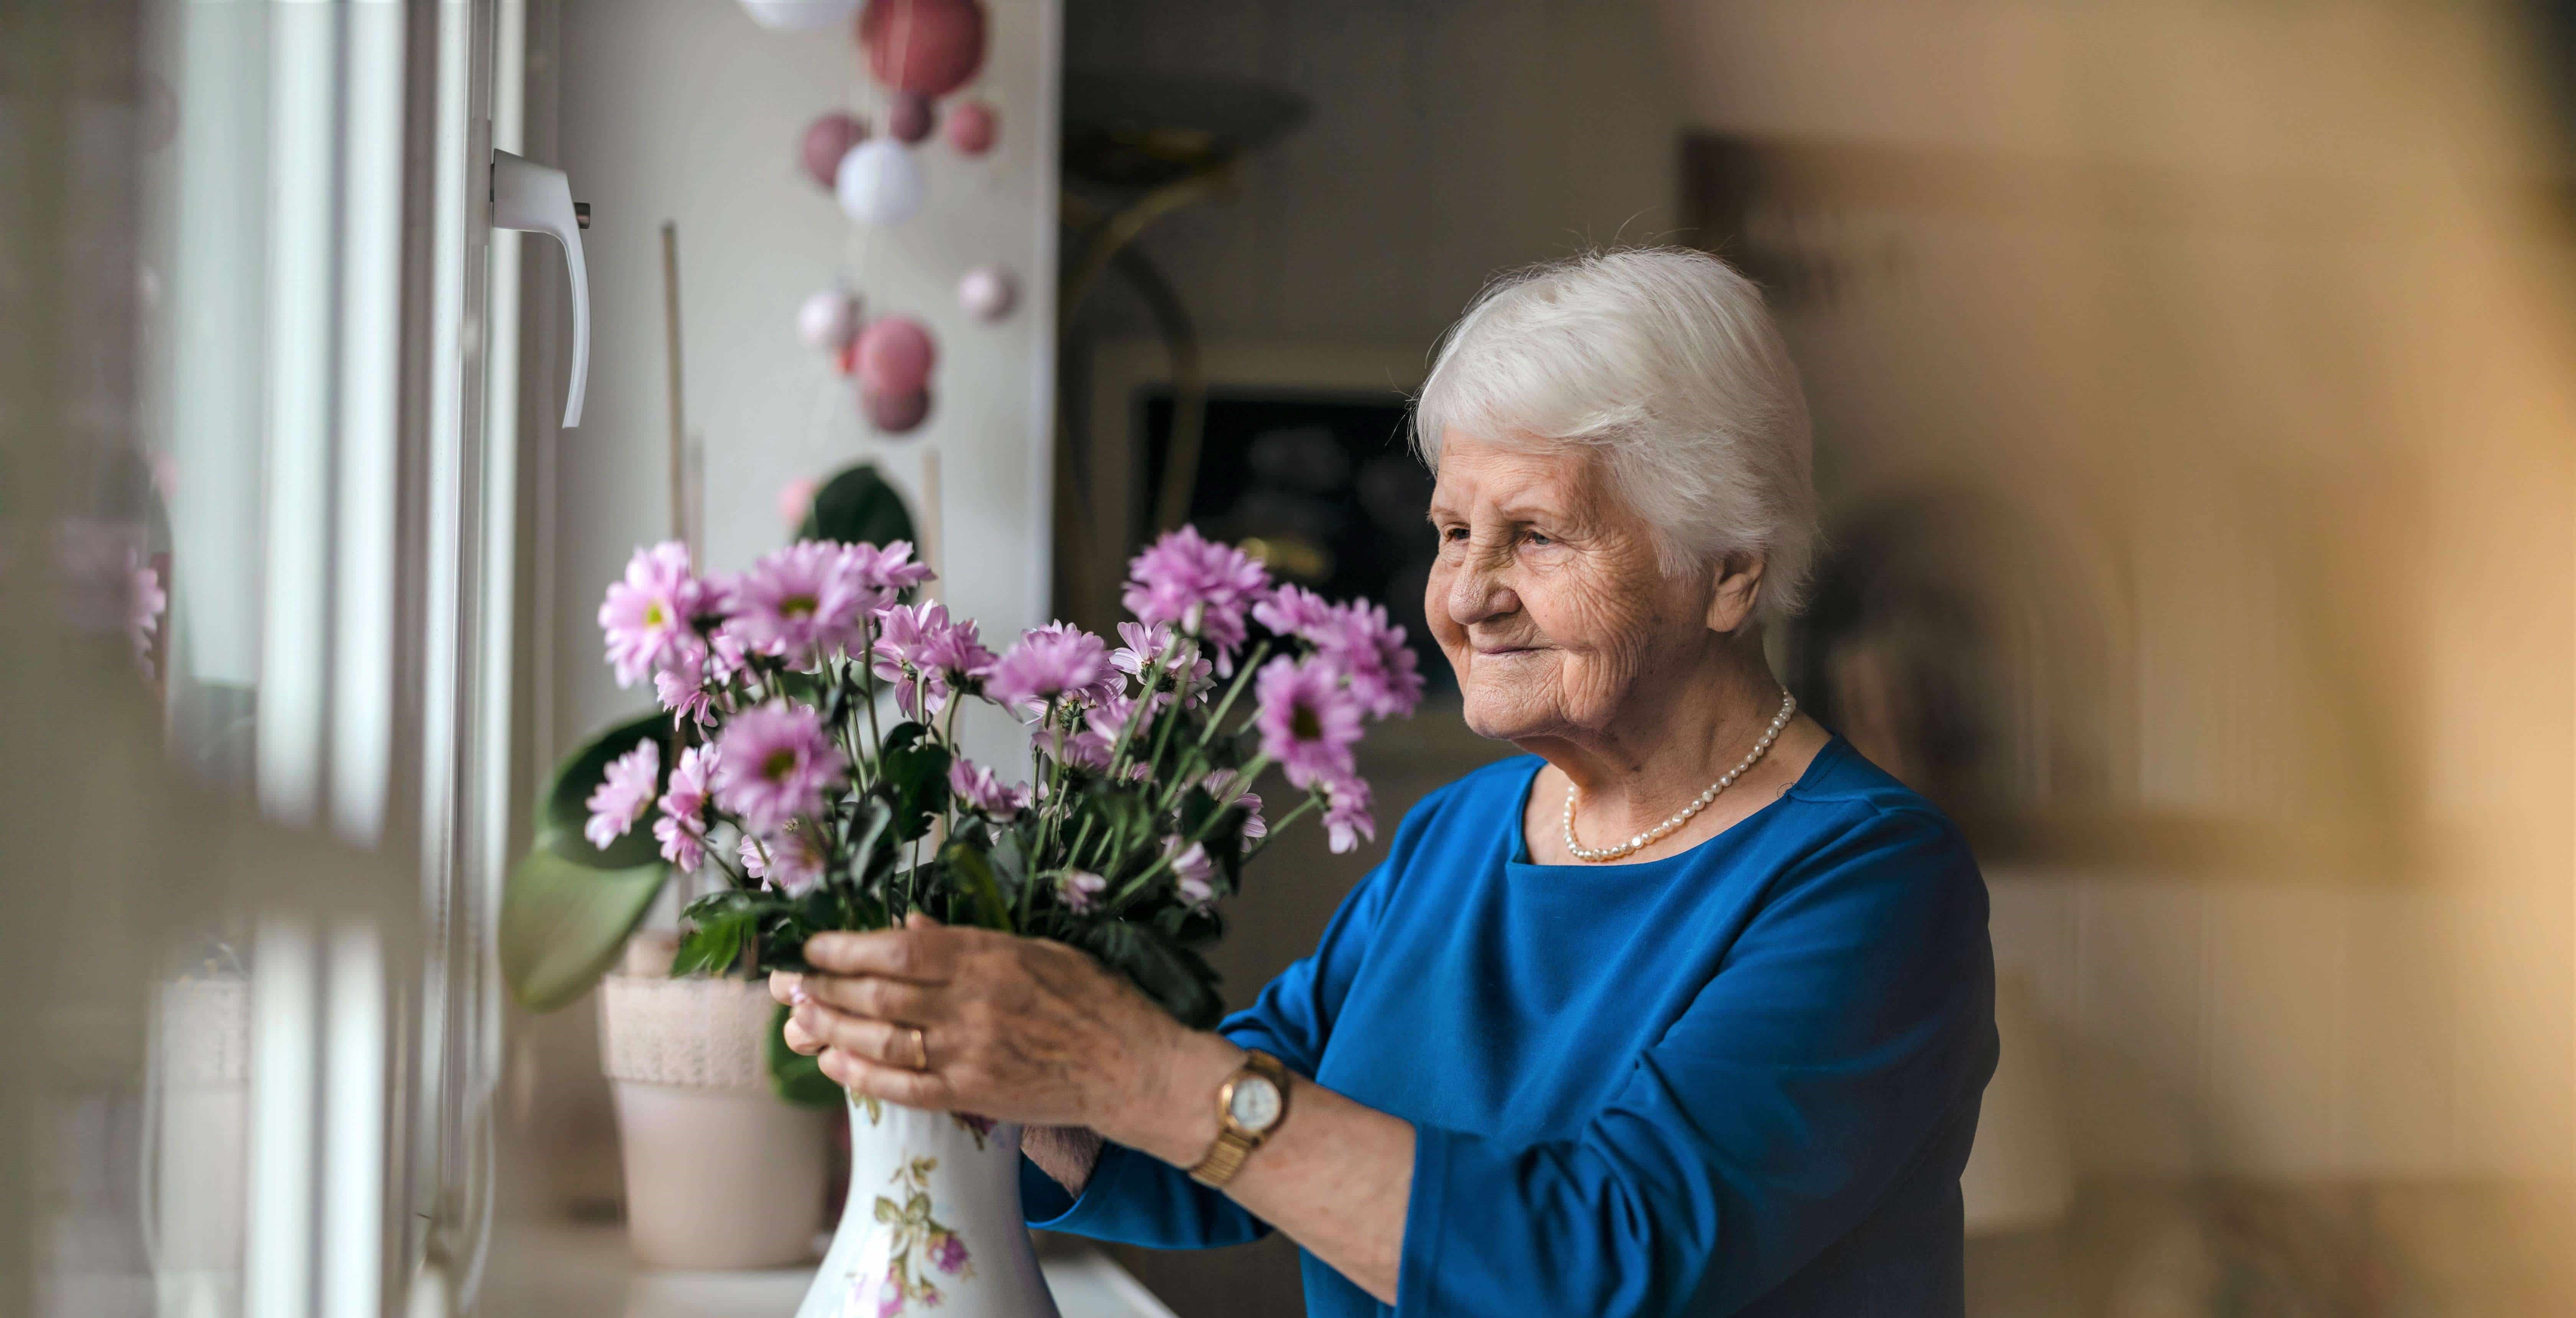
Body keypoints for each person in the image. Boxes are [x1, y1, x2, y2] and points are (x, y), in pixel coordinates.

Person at [774, 248, 1997, 1317]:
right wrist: (996, 1063)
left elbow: (1602, 1261)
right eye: (1455, 532)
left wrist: (1131, 1066)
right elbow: (1257, 1127)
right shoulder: (1465, 833)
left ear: (1730, 569)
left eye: (1538, 534)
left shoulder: (1872, 883)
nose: (1467, 596)